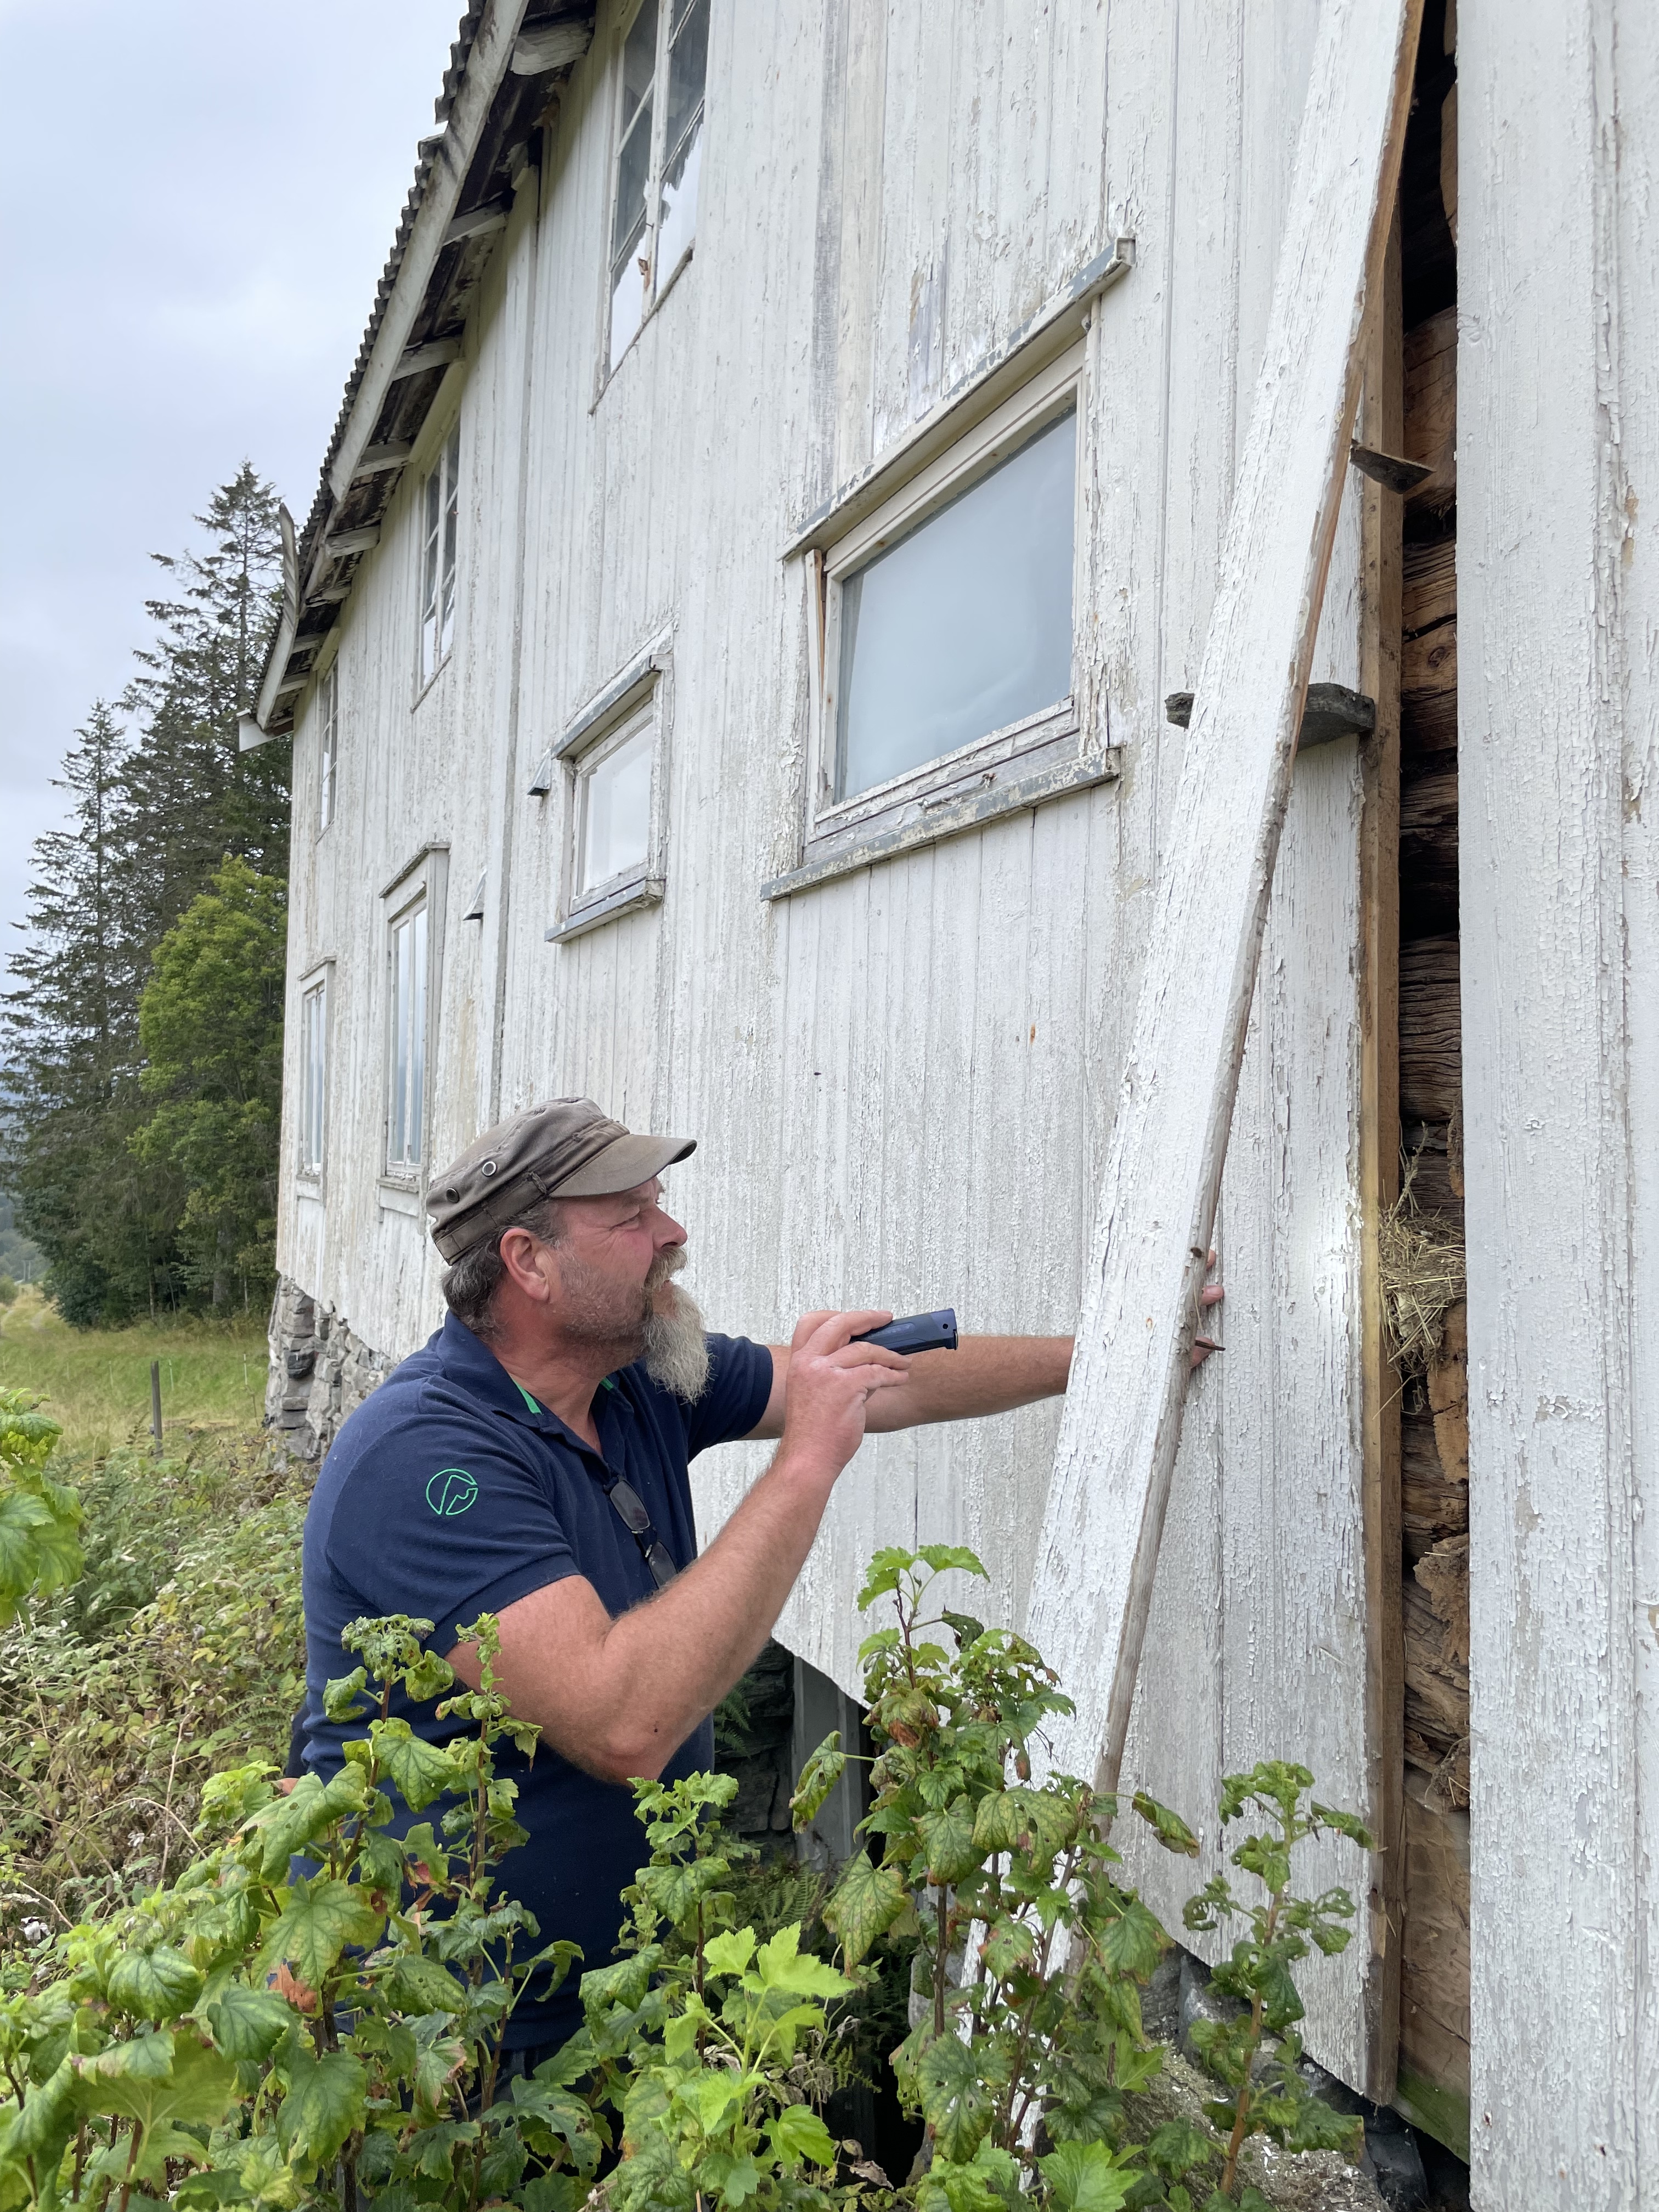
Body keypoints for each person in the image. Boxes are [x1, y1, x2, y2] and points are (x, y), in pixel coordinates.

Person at [297, 1096, 1221, 2067]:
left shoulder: (629, 1382)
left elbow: (884, 1380)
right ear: (529, 1262)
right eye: (633, 1218)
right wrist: (808, 1460)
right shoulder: (426, 1459)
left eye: (661, 1203)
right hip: (454, 2038)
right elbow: (626, 1722)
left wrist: (1118, 1358)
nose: (674, 1232)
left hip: (617, 2000)